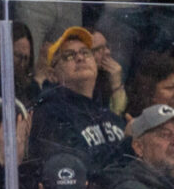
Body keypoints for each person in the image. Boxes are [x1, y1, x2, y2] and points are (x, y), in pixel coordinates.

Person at [30, 28, 127, 180]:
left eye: (85, 52)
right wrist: (128, 143)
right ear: (52, 75)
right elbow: (80, 169)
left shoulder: (104, 112)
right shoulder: (50, 113)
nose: (80, 58)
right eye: (69, 56)